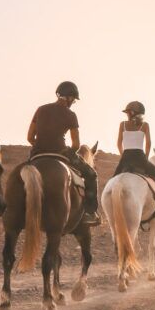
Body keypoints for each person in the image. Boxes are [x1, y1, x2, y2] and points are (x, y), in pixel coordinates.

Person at [26, 81, 100, 225]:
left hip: (38, 152)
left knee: (22, 173)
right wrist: (68, 152)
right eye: (74, 100)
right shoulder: (71, 115)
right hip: (60, 152)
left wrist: (41, 146)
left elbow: (29, 137)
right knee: (91, 174)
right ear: (70, 98)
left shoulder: (40, 109)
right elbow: (76, 144)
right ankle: (90, 212)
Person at [113, 101, 155, 216]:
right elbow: (148, 144)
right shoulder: (145, 125)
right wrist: (145, 158)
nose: (127, 115)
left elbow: (118, 143)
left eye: (128, 112)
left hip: (125, 158)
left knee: (112, 181)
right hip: (139, 157)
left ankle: (109, 204)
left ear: (132, 113)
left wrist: (123, 155)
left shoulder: (122, 124)